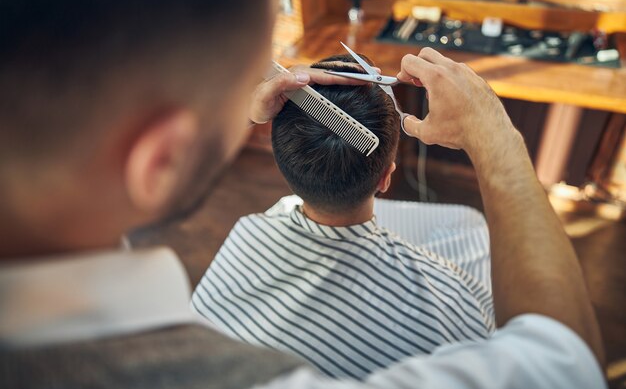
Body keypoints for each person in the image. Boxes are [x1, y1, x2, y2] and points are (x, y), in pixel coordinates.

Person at [0, 0, 606, 388]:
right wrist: (495, 136)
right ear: (388, 174)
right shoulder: (447, 299)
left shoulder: (241, 241)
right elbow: (564, 362)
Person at [192, 53, 495, 379]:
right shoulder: (447, 300)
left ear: (284, 165)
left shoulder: (245, 235)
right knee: (471, 224)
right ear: (386, 177)